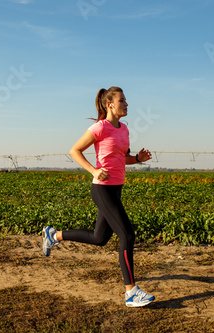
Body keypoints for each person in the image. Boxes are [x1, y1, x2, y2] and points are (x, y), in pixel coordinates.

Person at [42, 86, 155, 307]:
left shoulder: (124, 129)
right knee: (127, 235)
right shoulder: (99, 127)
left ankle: (54, 235)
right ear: (109, 104)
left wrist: (138, 159)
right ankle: (131, 292)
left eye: (125, 100)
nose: (126, 104)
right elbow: (74, 150)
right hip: (102, 188)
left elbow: (122, 159)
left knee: (99, 238)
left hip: (116, 187)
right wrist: (94, 170)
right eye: (122, 100)